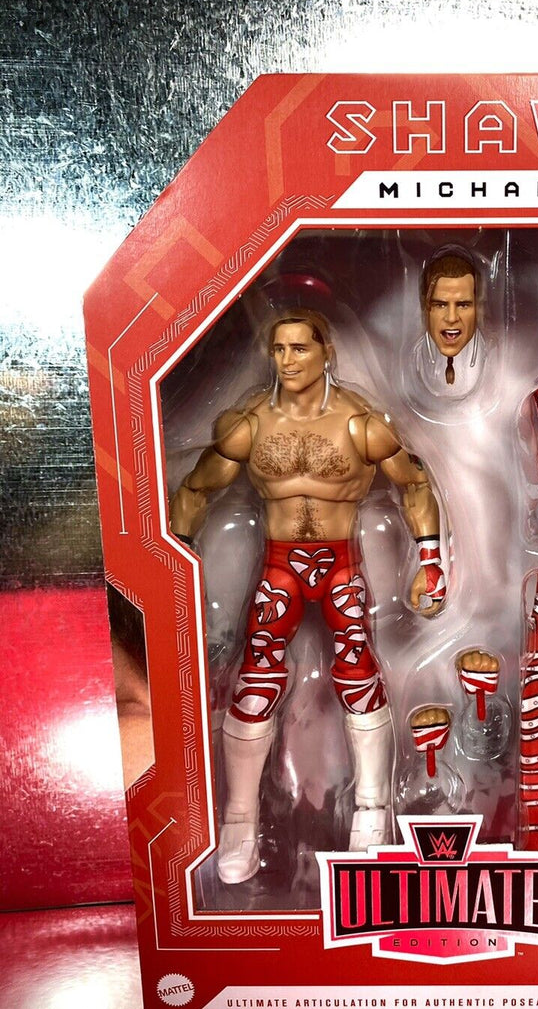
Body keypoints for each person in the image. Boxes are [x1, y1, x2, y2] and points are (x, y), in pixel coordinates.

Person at [170, 309, 446, 883]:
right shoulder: (249, 425)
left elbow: (416, 484)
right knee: (256, 680)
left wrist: (431, 564)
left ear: (326, 352)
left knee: (358, 669)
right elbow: (194, 490)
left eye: (300, 348)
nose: (288, 360)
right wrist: (172, 563)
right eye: (279, 349)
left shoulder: (358, 424)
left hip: (341, 565)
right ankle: (239, 820)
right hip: (280, 569)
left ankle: (372, 809)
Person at [412, 250, 485, 397]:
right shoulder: (412, 363)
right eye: (440, 305)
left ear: (478, 307)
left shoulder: (502, 370)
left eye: (463, 305)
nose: (451, 318)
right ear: (425, 307)